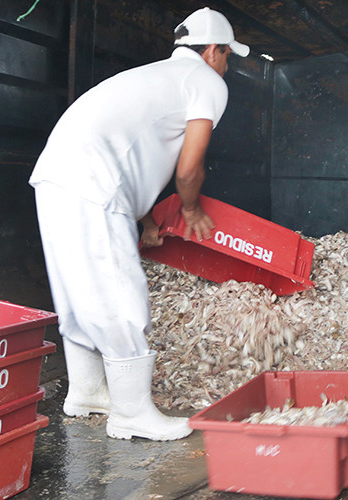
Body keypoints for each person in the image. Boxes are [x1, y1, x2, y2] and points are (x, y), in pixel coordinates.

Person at [29, 7, 249, 441]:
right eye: (227, 56)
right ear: (213, 51)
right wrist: (190, 210)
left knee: (77, 291)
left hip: (55, 175)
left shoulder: (154, 78)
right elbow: (189, 169)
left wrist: (149, 223)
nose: (227, 66)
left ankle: (88, 392)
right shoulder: (206, 82)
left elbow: (134, 157)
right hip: (93, 181)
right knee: (119, 294)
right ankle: (131, 414)